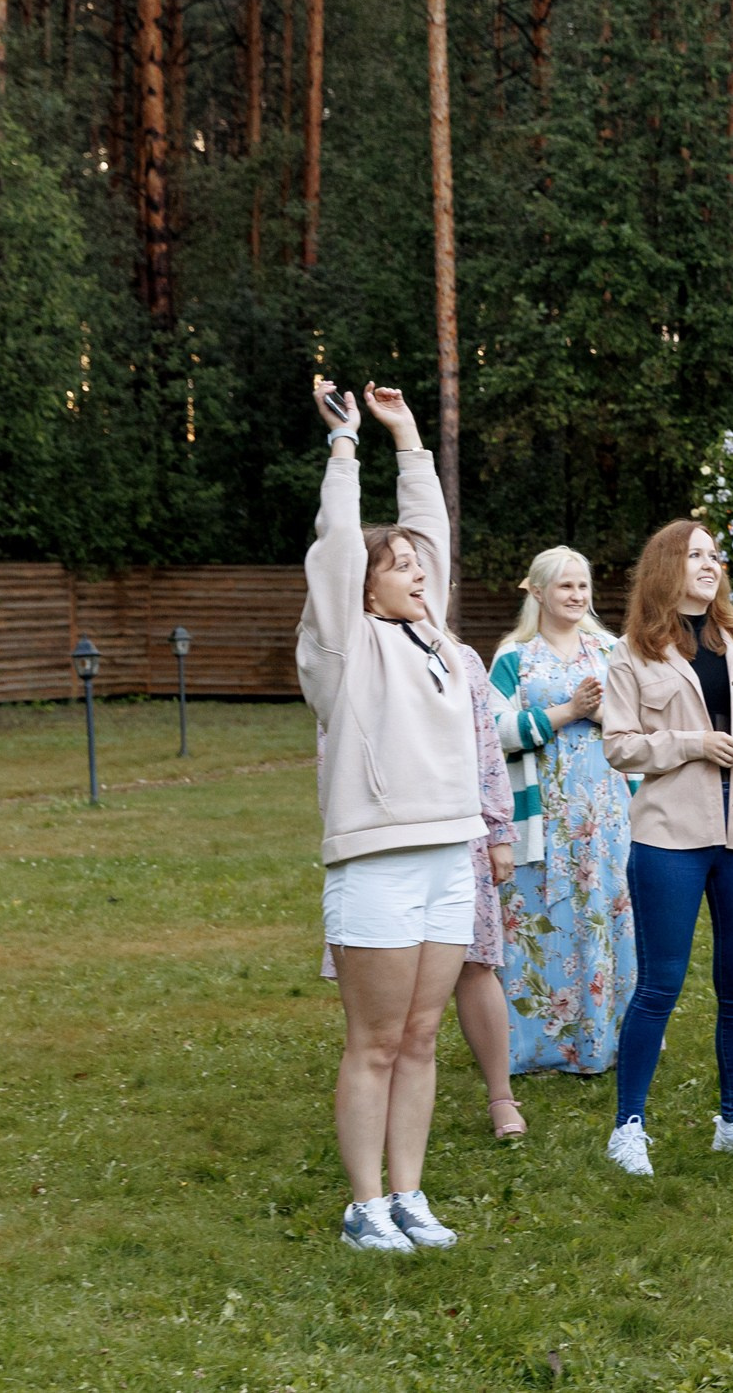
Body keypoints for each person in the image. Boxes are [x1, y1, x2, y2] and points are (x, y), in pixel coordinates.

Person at [297, 379, 482, 1254]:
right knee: (374, 1039)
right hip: (376, 861)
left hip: (451, 855)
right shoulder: (343, 646)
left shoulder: (436, 636)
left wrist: (408, 437)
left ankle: (409, 1193)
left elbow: (434, 537)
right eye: (398, 566)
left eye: (417, 565)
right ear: (364, 590)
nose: (416, 573)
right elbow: (338, 548)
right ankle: (364, 1205)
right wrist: (346, 448)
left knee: (421, 1034)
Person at [599, 519, 733, 1174]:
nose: (710, 564)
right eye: (695, 554)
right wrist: (695, 744)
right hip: (669, 837)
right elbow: (620, 745)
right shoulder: (632, 653)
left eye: (714, 555)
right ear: (666, 568)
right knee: (660, 983)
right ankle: (628, 1126)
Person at [319, 637, 524, 1139]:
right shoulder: (352, 656)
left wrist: (498, 830)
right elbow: (335, 753)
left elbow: (485, 747)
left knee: (477, 964)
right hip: (386, 844)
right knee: (389, 997)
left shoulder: (462, 659)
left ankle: (501, 1097)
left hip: (461, 834)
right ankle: (381, 1094)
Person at [488, 547, 637, 1076]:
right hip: (541, 821)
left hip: (608, 817)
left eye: (582, 586)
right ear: (537, 591)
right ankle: (534, 1048)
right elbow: (493, 732)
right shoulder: (514, 657)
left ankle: (609, 1042)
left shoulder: (612, 650)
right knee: (539, 926)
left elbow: (642, 725)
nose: (576, 595)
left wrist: (600, 716)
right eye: (564, 586)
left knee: (605, 918)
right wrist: (566, 711)